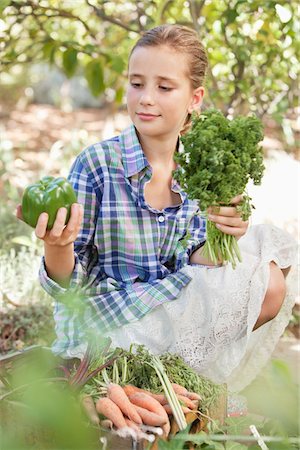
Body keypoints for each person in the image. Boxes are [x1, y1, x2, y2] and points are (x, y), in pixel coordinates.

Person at [17, 24, 296, 392]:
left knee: (272, 273)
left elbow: (193, 266)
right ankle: (149, 383)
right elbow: (72, 289)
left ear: (194, 99)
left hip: (167, 309)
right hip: (109, 324)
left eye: (164, 87)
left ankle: (183, 381)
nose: (146, 98)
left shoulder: (199, 167)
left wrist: (222, 233)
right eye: (136, 83)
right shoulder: (97, 165)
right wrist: (58, 244)